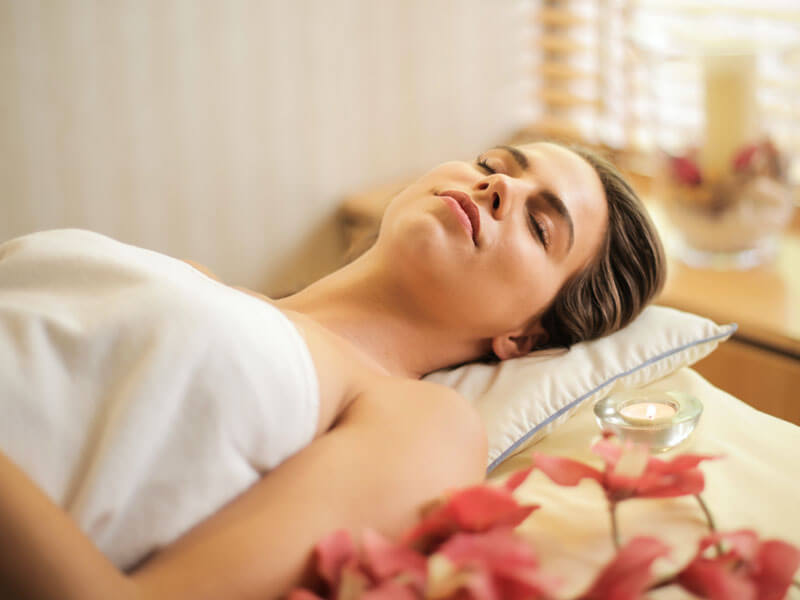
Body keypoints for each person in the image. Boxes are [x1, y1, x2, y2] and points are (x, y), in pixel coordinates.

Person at [0, 141, 665, 600]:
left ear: (524, 337)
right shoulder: (194, 279)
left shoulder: (421, 420)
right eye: (494, 164)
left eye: (540, 226)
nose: (499, 187)